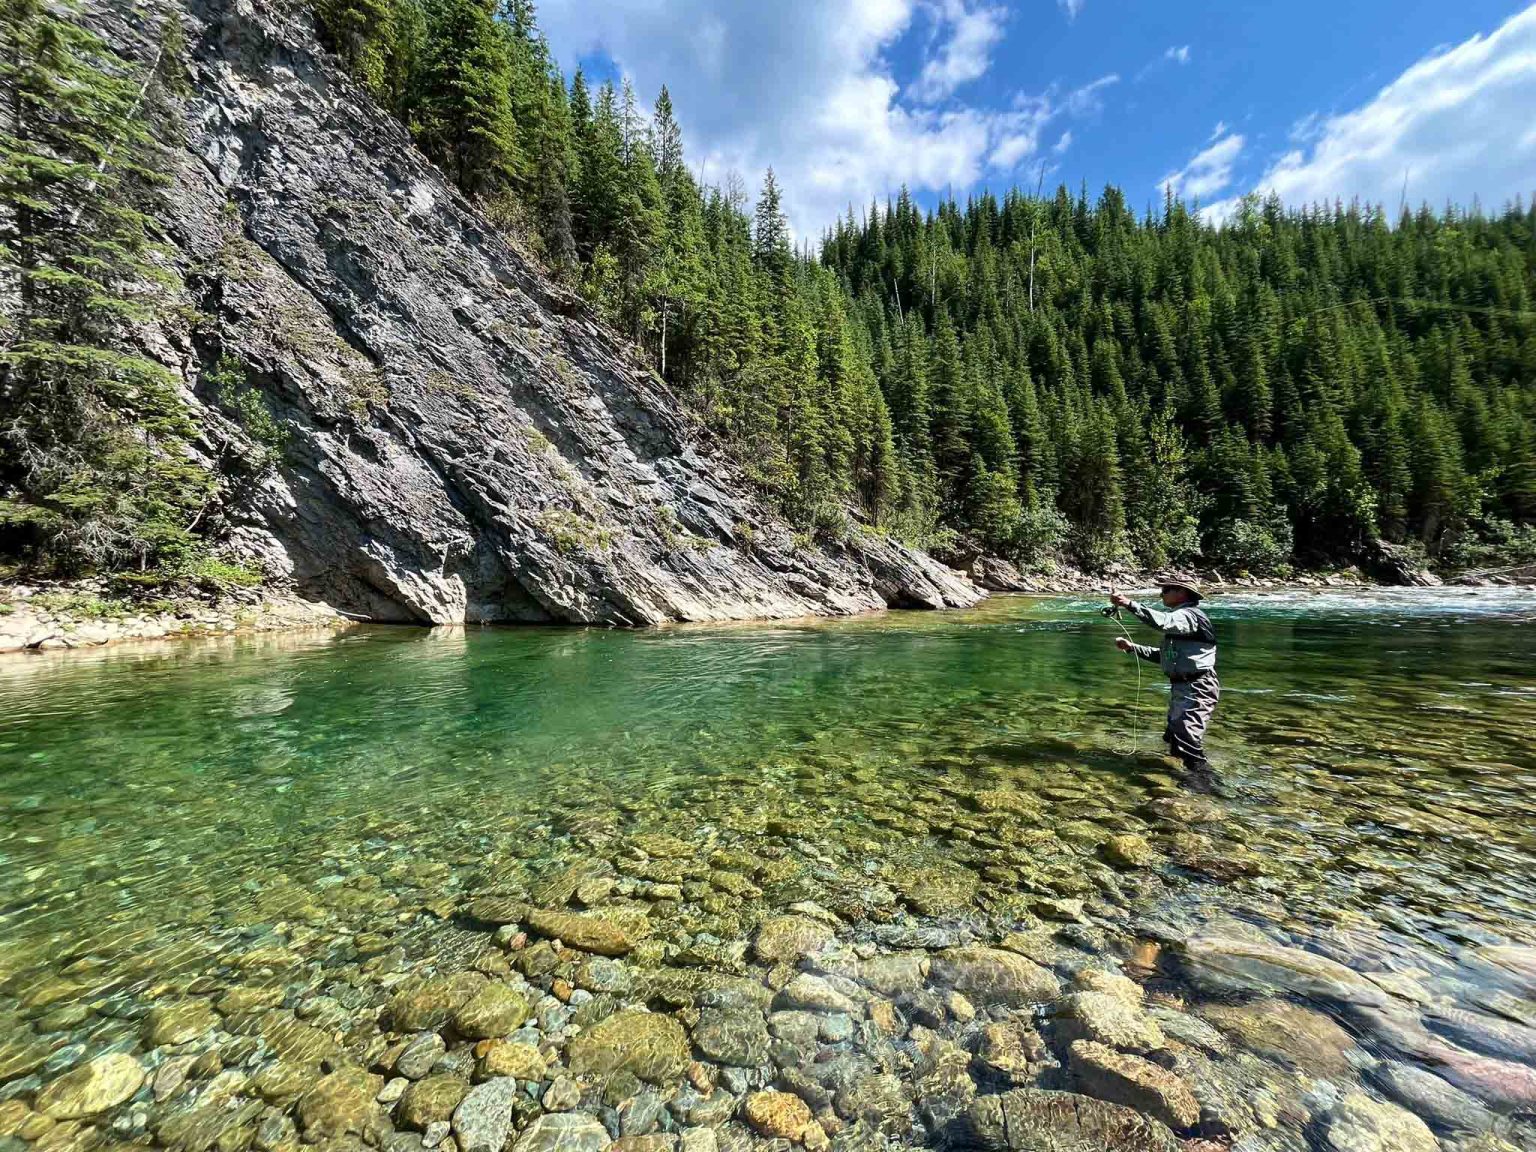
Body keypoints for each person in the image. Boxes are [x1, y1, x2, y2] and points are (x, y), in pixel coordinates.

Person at [1110, 575, 1219, 784]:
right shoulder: (1181, 620)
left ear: (1182, 592)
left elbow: (1162, 622)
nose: (1162, 593)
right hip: (1183, 686)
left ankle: (1207, 784)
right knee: (1174, 739)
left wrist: (1128, 603)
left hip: (1198, 686)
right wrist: (1133, 648)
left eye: (1166, 589)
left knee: (1186, 736)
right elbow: (1165, 657)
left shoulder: (1189, 616)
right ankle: (1177, 777)